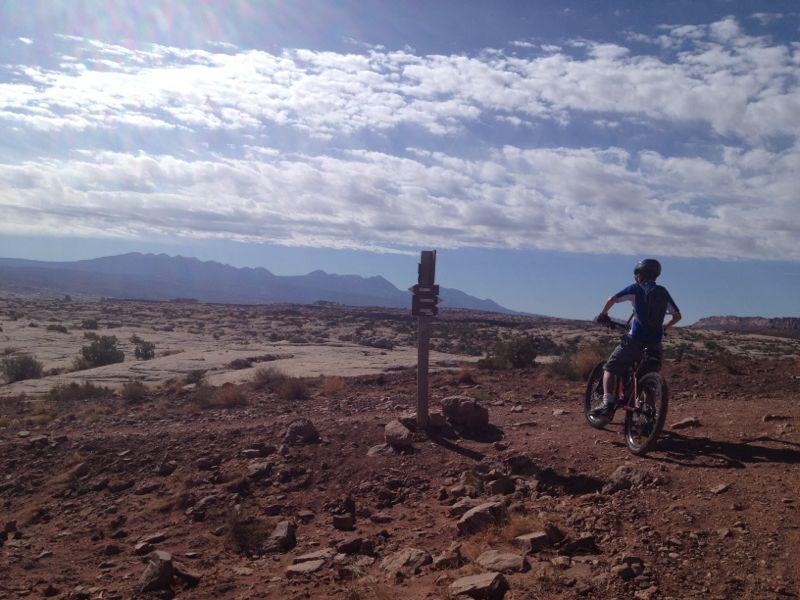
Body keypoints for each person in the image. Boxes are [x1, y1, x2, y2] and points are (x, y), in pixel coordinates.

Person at [590, 259, 681, 416]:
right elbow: (677, 316)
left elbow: (611, 299)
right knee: (647, 377)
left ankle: (607, 404)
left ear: (639, 275)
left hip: (635, 340)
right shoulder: (662, 292)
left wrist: (603, 314)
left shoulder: (636, 289)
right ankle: (650, 415)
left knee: (611, 367)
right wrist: (663, 327)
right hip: (655, 344)